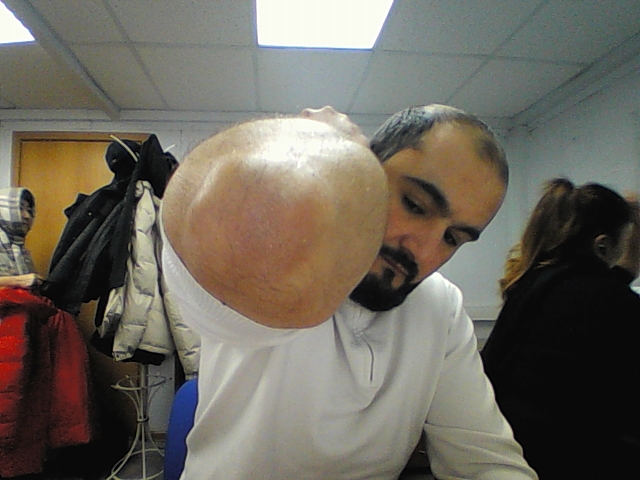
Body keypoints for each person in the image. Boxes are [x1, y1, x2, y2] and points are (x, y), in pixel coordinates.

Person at [161, 105, 537, 479]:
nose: (424, 251)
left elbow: (484, 459)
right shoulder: (273, 259)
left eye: (452, 238)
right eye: (415, 205)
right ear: (366, 168)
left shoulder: (441, 307)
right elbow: (192, 249)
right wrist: (311, 144)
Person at [481, 178, 640, 479]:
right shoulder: (615, 303)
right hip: (575, 458)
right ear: (602, 245)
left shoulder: (530, 284)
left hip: (513, 449)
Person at [0, 186, 42, 288]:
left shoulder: (21, 249)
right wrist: (18, 281)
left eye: (29, 210)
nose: (27, 216)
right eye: (20, 209)